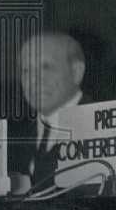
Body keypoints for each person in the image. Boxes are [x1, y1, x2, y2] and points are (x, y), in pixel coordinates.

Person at [15, 32, 91, 187]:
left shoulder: (103, 126)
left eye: (46, 67)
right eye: (26, 70)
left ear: (77, 72)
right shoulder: (11, 136)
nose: (34, 80)